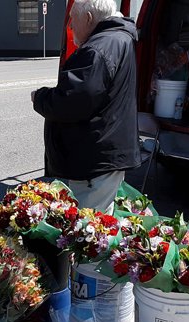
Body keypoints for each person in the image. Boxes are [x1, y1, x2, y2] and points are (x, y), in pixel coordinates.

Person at [31, 0, 140, 213]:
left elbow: (72, 102)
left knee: (87, 226)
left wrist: (41, 97)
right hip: (103, 153)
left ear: (89, 18)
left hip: (95, 159)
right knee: (99, 222)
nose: (70, 26)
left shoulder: (98, 48)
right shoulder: (116, 39)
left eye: (73, 19)